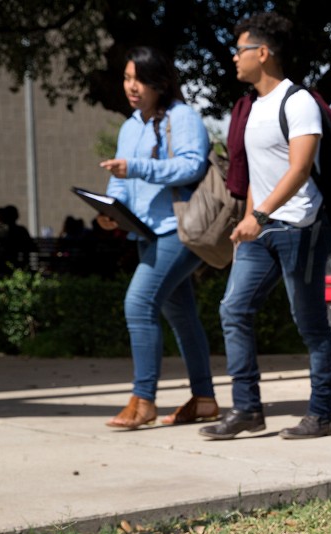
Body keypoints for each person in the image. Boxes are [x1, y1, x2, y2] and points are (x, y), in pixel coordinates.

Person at [200, 12, 331, 440]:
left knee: (309, 323)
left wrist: (258, 217)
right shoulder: (251, 109)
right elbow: (260, 172)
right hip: (262, 229)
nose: (233, 58)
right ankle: (247, 409)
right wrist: (250, 219)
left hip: (301, 226)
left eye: (239, 50)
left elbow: (298, 170)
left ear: (263, 53)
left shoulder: (298, 102)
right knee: (233, 310)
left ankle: (322, 413)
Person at [99, 46, 219, 429]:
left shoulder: (183, 118)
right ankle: (203, 399)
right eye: (127, 78)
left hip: (179, 230)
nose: (131, 87)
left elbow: (191, 165)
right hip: (145, 232)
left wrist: (135, 167)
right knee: (182, 315)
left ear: (160, 83)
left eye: (139, 80)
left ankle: (143, 399)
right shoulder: (130, 124)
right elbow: (121, 178)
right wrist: (109, 209)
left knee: (139, 303)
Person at [0, 205, 37, 274]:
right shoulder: (21, 230)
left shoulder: (3, 231)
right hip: (20, 263)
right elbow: (32, 247)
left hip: (5, 265)